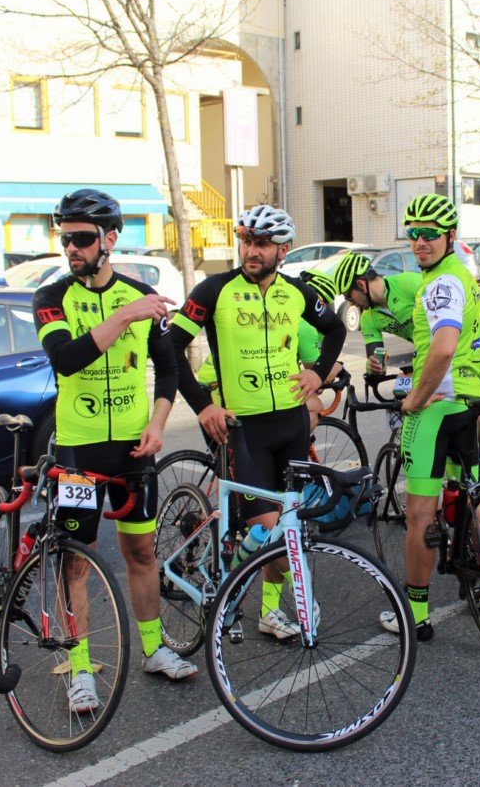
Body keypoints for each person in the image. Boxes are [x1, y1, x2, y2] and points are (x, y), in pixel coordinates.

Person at [32, 188, 195, 714]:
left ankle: (154, 647)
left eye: (81, 239)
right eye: (66, 239)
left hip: (133, 448)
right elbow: (67, 359)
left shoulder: (142, 294)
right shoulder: (52, 298)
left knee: (141, 553)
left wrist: (158, 423)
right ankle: (79, 670)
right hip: (79, 452)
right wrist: (126, 317)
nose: (71, 249)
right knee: (76, 563)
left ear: (110, 240)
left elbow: (168, 369)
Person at [170, 205, 345, 639]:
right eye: (246, 240)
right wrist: (203, 406)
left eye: (263, 243)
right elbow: (170, 347)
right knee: (269, 531)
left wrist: (318, 373)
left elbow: (336, 330)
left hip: (290, 424)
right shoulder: (214, 290)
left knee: (288, 529)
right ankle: (228, 593)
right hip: (241, 428)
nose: (252, 250)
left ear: (283, 249)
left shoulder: (297, 292)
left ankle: (268, 610)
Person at [378, 193, 480, 641]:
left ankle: (416, 614)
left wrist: (414, 399)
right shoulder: (463, 275)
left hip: (435, 410)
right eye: (414, 233)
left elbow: (443, 346)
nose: (420, 242)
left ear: (450, 235)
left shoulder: (442, 283)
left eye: (430, 234)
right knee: (474, 498)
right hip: (468, 403)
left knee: (420, 513)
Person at [330, 251, 480, 478]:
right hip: (426, 353)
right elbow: (375, 354)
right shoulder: (369, 317)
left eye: (349, 296)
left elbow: (448, 314)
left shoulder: (409, 283)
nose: (350, 302)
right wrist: (374, 368)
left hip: (457, 344)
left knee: (462, 406)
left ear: (361, 284)